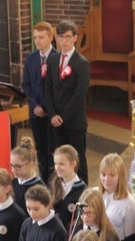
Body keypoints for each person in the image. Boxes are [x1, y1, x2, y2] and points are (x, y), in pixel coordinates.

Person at [44, 20, 90, 183]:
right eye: (61, 37)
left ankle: (83, 196)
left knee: (78, 161)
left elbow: (79, 96)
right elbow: (48, 89)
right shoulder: (53, 60)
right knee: (59, 162)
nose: (64, 41)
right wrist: (53, 114)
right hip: (55, 121)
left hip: (74, 122)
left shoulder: (82, 63)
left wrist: (62, 117)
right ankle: (61, 191)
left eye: (68, 37)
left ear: (75, 38)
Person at [22, 22, 57, 183]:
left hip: (51, 112)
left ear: (50, 37)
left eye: (41, 37)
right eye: (35, 37)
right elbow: (26, 85)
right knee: (40, 148)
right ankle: (43, 180)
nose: (38, 41)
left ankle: (54, 181)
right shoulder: (31, 58)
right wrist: (36, 105)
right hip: (35, 111)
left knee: (52, 148)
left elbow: (58, 88)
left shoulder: (57, 58)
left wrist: (44, 107)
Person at [51, 145, 87, 233]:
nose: (57, 168)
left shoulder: (83, 191)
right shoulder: (54, 183)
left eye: (61, 164)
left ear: (73, 164)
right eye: (55, 163)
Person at [11, 137, 46, 211]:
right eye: (12, 165)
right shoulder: (13, 183)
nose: (13, 170)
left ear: (31, 164)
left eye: (18, 166)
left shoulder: (39, 188)